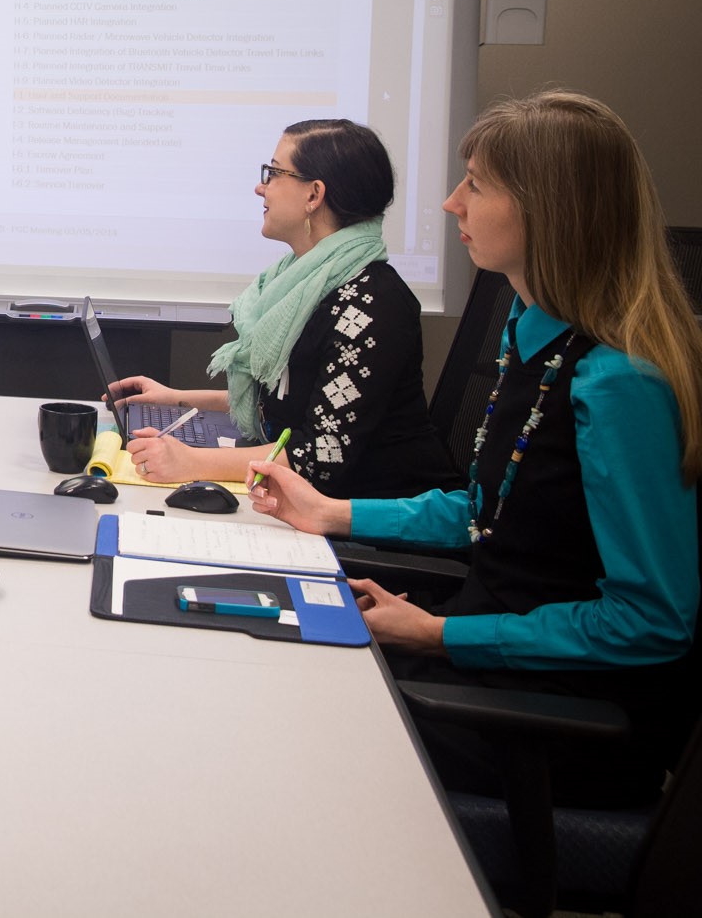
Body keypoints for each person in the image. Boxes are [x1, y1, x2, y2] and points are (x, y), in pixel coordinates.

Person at [250, 90, 702, 805]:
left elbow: (649, 622)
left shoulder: (619, 382)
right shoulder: (532, 331)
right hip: (483, 662)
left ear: (548, 210)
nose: (452, 203)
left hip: (553, 722)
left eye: (477, 184)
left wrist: (440, 633)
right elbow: (487, 511)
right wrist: (332, 515)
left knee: (286, 742)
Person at [112, 118, 457, 499]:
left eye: (274, 173)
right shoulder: (302, 285)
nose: (261, 187)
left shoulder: (372, 305)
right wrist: (176, 398)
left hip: (369, 524)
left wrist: (190, 461)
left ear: (314, 195)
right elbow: (284, 405)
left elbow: (316, 459)